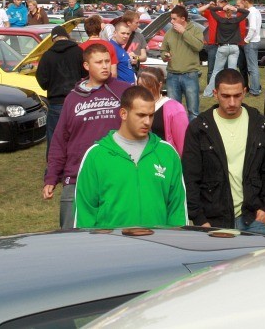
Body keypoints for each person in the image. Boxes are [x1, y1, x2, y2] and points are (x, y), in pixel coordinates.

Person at [74, 85, 187, 229]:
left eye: (151, 115)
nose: (147, 122)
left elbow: (177, 210)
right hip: (111, 243)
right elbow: (84, 213)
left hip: (158, 242)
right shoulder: (96, 155)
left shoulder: (167, 153)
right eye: (141, 115)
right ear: (123, 114)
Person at [182, 68, 265, 232]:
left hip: (253, 219)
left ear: (244, 92)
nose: (232, 102)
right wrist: (199, 218)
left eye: (237, 95)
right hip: (213, 222)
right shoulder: (199, 128)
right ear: (215, 93)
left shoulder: (261, 124)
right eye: (226, 96)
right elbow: (190, 177)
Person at [43, 44, 130, 228]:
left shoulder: (124, 91)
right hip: (77, 177)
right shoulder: (73, 98)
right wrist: (52, 177)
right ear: (86, 66)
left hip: (116, 175)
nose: (105, 66)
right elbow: (60, 140)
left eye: (107, 61)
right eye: (99, 62)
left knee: (116, 235)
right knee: (72, 236)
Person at [35, 26, 89, 156]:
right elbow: (85, 73)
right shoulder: (78, 51)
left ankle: (53, 164)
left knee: (55, 137)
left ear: (53, 39)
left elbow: (41, 78)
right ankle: (75, 162)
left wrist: (49, 86)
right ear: (67, 36)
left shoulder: (47, 55)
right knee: (76, 136)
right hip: (76, 101)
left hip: (56, 102)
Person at [160, 5, 205, 120]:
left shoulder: (195, 30)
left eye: (174, 19)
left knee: (193, 111)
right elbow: (163, 50)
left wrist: (184, 32)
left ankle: (193, 131)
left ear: (183, 19)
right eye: (171, 18)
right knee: (173, 110)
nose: (171, 21)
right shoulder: (169, 33)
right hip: (172, 75)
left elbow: (199, 46)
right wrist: (165, 56)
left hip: (190, 74)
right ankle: (177, 130)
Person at [201, 1, 248, 97]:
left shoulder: (220, 20)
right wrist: (236, 9)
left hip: (223, 47)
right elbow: (246, 12)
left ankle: (208, 93)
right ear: (231, 13)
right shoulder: (236, 20)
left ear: (225, 12)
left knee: (216, 71)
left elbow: (212, 10)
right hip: (234, 47)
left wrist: (221, 8)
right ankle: (233, 91)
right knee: (232, 71)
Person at [137, 68, 188, 155]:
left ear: (159, 85)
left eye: (148, 85)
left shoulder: (175, 109)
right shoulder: (135, 107)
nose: (143, 90)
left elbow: (183, 145)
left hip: (165, 159)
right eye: (140, 86)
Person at [239, 0, 262, 97]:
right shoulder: (257, 11)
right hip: (255, 41)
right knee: (253, 67)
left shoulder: (251, 12)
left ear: (246, 1)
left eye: (242, 1)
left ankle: (255, 90)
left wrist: (246, 40)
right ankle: (256, 87)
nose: (242, 3)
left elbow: (252, 28)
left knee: (252, 68)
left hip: (251, 42)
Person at [108, 17, 138, 84]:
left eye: (128, 34)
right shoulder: (112, 47)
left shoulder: (120, 47)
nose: (126, 36)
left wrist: (135, 59)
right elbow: (112, 74)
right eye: (123, 33)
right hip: (121, 88)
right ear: (115, 33)